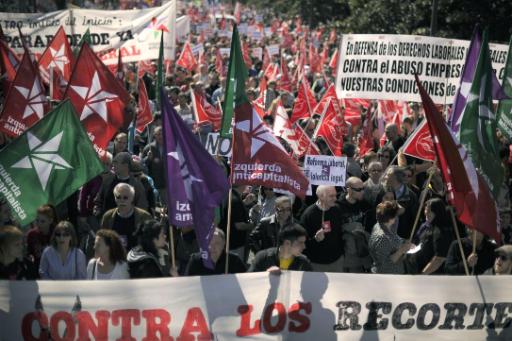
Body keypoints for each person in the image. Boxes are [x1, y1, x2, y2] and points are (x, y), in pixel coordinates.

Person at [300, 185, 344, 272]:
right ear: (320, 196)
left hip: (337, 261)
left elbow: (340, 233)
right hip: (317, 264)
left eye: (335, 195)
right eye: (331, 196)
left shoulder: (337, 209)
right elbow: (302, 243)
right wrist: (315, 239)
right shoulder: (308, 215)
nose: (335, 199)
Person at [94, 151, 149, 217]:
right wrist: (98, 212)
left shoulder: (136, 185)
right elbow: (99, 200)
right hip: (109, 223)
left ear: (125, 166)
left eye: (116, 162)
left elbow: (142, 206)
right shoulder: (108, 181)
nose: (113, 165)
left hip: (129, 224)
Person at [406, 198, 453, 274]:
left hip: (432, 276)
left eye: (429, 211)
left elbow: (439, 258)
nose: (426, 213)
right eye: (425, 209)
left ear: (437, 212)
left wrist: (423, 274)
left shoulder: (442, 232)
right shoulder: (427, 226)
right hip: (418, 270)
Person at [101, 183, 152, 251]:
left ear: (132, 198)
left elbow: (151, 240)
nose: (122, 200)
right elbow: (103, 240)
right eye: (118, 197)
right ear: (114, 198)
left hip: (138, 257)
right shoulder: (108, 216)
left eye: (125, 197)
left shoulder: (144, 216)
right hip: (115, 257)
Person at [337, 177, 372, 272]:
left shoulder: (363, 203)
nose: (362, 192)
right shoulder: (338, 206)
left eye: (363, 188)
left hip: (360, 252)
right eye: (359, 189)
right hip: (345, 253)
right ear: (349, 189)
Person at [368, 201, 413, 274]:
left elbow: (394, 239)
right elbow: (384, 265)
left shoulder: (381, 225)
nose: (397, 217)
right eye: (395, 215)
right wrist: (401, 251)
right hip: (388, 277)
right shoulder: (382, 238)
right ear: (391, 218)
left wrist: (404, 242)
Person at [382, 166, 418, 239]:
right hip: (385, 237)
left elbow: (414, 220)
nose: (385, 177)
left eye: (387, 175)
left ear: (395, 178)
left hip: (403, 238)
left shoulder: (411, 196)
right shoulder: (383, 192)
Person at [26, 204, 58, 269]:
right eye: (37, 220)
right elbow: (28, 253)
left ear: (51, 220)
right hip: (38, 268)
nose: (39, 224)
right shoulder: (31, 234)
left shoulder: (58, 233)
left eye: (43, 221)